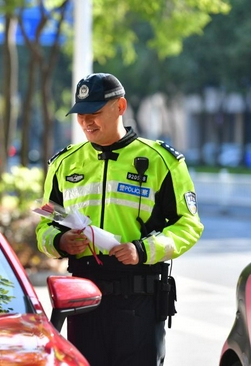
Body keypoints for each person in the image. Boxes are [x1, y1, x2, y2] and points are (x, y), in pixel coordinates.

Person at [36, 73, 204, 366]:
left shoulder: (161, 161)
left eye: (95, 113)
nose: (87, 122)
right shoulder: (64, 163)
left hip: (139, 300)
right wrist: (60, 241)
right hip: (82, 297)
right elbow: (45, 225)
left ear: (121, 107)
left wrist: (141, 250)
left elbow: (188, 226)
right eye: (81, 115)